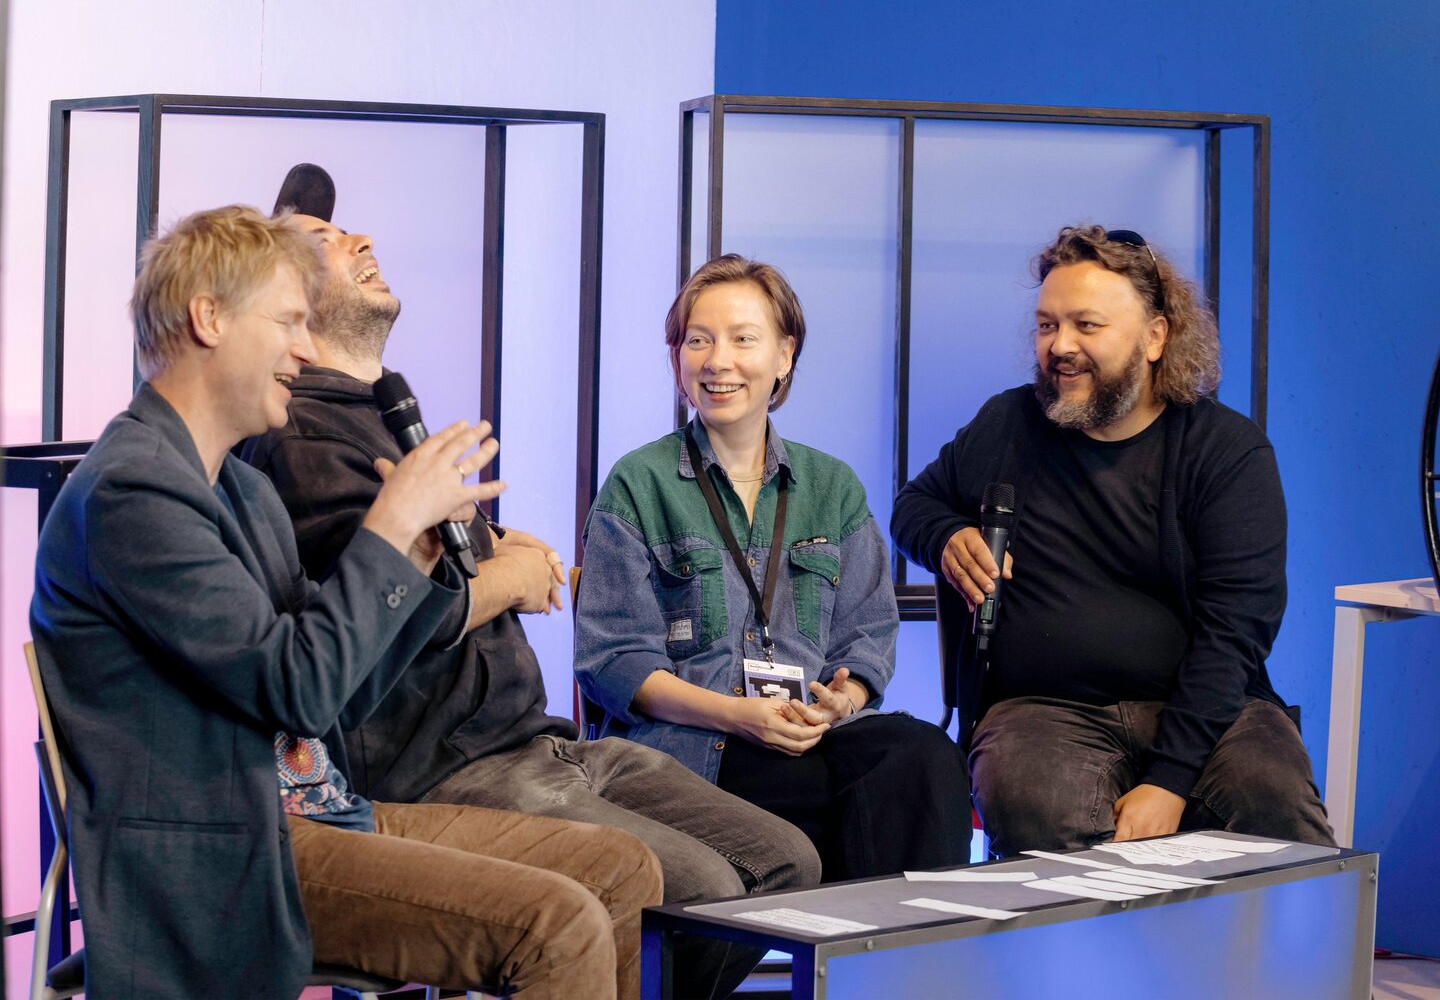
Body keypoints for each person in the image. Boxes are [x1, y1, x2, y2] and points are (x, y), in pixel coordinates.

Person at [30, 205, 661, 999]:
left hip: (326, 812)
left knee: (621, 868)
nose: (304, 348)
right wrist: (386, 528)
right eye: (288, 322)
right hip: (236, 851)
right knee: (558, 924)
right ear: (209, 318)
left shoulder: (242, 490)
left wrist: (421, 556)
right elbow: (294, 685)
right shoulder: (132, 491)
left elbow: (344, 694)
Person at [241, 166, 820, 1000]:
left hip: (542, 741)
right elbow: (382, 618)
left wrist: (500, 553)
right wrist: (509, 576)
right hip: (447, 767)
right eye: (326, 242)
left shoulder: (386, 414)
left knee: (787, 863)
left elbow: (460, 556)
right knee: (703, 889)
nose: (363, 240)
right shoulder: (301, 438)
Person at [891, 224, 1336, 857]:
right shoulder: (1008, 424)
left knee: (1275, 805)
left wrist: (1170, 779)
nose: (1060, 346)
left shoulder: (1226, 451)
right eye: (1047, 326)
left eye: (1087, 326)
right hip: (1041, 712)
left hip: (1208, 709)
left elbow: (1237, 628)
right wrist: (946, 535)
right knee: (1035, 806)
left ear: (1156, 336)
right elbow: (913, 505)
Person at [574, 253, 972, 883]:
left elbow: (868, 635)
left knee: (924, 758)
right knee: (822, 799)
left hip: (814, 735)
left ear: (784, 355)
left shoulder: (832, 487)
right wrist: (735, 714)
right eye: (698, 340)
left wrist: (841, 701)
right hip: (693, 749)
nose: (718, 361)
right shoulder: (637, 484)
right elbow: (613, 661)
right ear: (677, 357)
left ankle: (903, 945)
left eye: (743, 339)